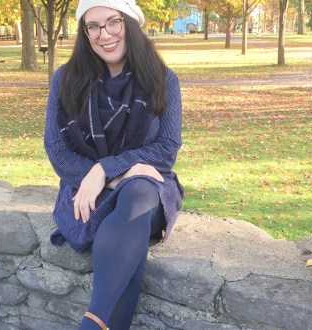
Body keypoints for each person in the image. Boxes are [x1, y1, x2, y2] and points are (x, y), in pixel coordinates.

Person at [44, 1, 184, 329]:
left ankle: (91, 324)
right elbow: (57, 150)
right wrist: (103, 178)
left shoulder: (162, 79)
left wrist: (105, 168)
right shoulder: (66, 79)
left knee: (137, 192)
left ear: (130, 24)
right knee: (130, 237)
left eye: (113, 22)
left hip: (146, 185)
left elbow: (165, 149)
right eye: (92, 26)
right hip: (87, 190)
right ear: (84, 32)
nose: (103, 34)